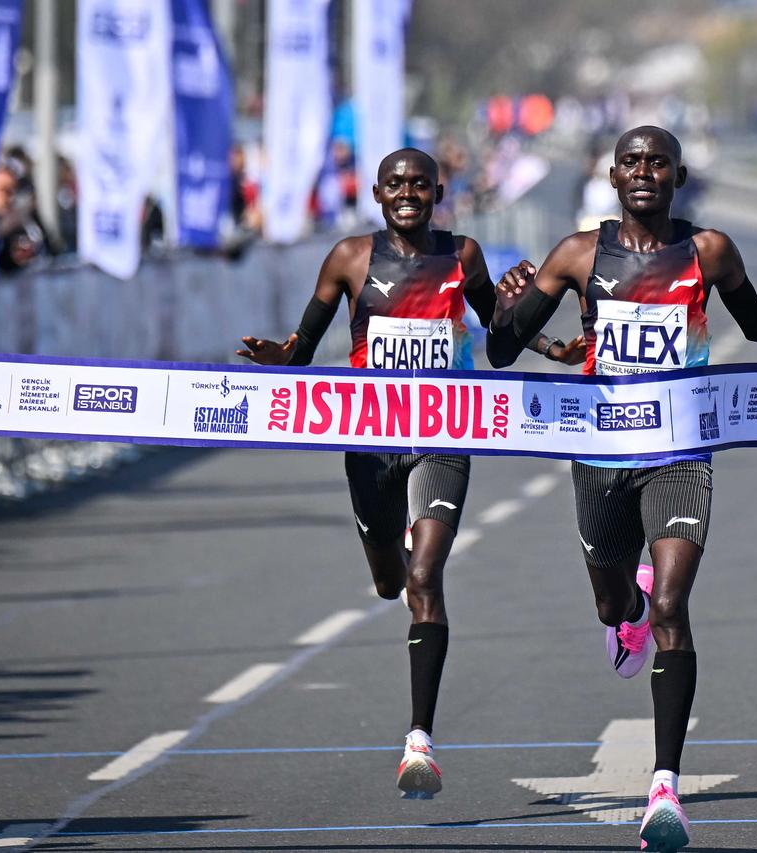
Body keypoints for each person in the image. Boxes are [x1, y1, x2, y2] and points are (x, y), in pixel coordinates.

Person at [487, 126, 757, 852]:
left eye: (658, 162)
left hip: (681, 447)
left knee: (670, 606)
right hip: (599, 450)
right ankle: (623, 608)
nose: (644, 173)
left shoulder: (708, 251)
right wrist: (508, 312)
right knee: (615, 600)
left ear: (678, 175)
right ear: (614, 174)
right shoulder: (577, 254)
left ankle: (665, 786)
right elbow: (500, 350)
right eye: (631, 162)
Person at [235, 148, 583, 799]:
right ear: (377, 191)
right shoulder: (348, 258)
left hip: (443, 438)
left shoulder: (464, 255)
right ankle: (392, 554)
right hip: (370, 443)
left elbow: (496, 328)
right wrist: (279, 354)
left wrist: (550, 346)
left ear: (437, 191)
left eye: (418, 184)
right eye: (395, 183)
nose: (407, 193)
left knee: (426, 577)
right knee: (390, 580)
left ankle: (418, 740)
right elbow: (303, 349)